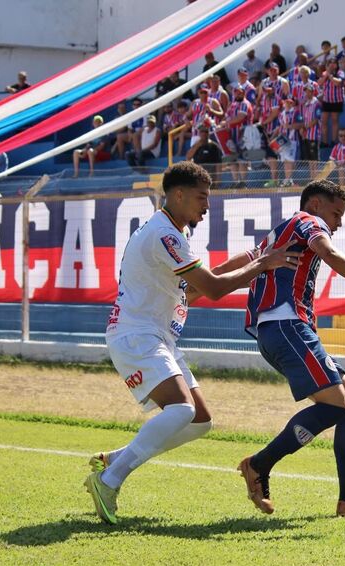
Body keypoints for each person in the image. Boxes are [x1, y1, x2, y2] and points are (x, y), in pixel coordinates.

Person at [85, 161, 301, 525]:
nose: (207, 206)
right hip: (136, 335)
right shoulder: (164, 235)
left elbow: (199, 288)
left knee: (200, 421)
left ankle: (114, 459)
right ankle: (109, 480)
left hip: (156, 337)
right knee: (182, 410)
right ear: (178, 195)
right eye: (202, 197)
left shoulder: (171, 234)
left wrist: (252, 258)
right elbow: (215, 289)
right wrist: (263, 264)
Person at [238, 179, 345, 516]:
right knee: (335, 406)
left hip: (283, 329)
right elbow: (328, 253)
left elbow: (241, 266)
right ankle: (258, 465)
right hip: (286, 325)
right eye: (336, 213)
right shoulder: (308, 221)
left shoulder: (279, 233)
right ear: (315, 204)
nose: (338, 222)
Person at [221, 86, 254, 188]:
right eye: (236, 92)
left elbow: (240, 117)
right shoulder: (232, 105)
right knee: (232, 159)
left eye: (240, 92)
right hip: (232, 135)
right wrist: (225, 124)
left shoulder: (245, 103)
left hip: (243, 135)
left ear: (244, 93)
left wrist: (226, 123)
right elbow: (227, 117)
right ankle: (236, 182)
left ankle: (243, 182)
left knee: (242, 159)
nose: (238, 94)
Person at [258, 82, 282, 188]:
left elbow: (274, 114)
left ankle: (276, 180)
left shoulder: (276, 98)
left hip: (276, 130)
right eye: (265, 90)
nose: (267, 92)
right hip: (267, 131)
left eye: (269, 89)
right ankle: (275, 179)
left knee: (273, 156)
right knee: (270, 156)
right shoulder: (264, 99)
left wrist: (263, 122)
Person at [318, 57, 345, 146]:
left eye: (334, 63)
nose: (332, 65)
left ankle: (334, 141)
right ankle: (324, 141)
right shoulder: (324, 73)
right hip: (326, 100)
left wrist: (330, 76)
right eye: (330, 63)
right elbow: (319, 83)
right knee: (324, 121)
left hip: (337, 100)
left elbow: (338, 83)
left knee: (334, 120)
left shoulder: (340, 73)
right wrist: (326, 75)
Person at [299, 83, 323, 179]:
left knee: (314, 158)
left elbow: (316, 119)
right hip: (307, 135)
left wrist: (305, 127)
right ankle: (312, 178)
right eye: (305, 91)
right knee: (309, 158)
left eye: (308, 91)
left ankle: (315, 178)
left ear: (312, 92)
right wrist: (302, 128)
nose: (306, 93)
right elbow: (303, 119)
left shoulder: (316, 103)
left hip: (314, 134)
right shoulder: (305, 104)